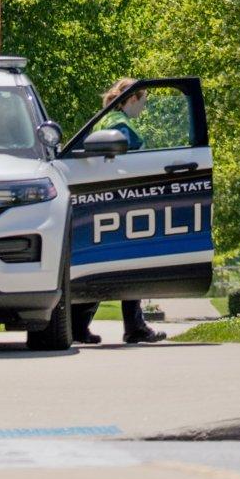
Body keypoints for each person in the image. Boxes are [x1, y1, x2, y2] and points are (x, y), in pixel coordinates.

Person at [72, 78, 167, 345]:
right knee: (127, 261)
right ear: (133, 98)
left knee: (107, 261)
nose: (144, 108)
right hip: (123, 201)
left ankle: (81, 325)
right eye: (144, 101)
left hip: (106, 200)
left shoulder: (106, 119)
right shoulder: (120, 124)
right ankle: (132, 327)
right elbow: (134, 164)